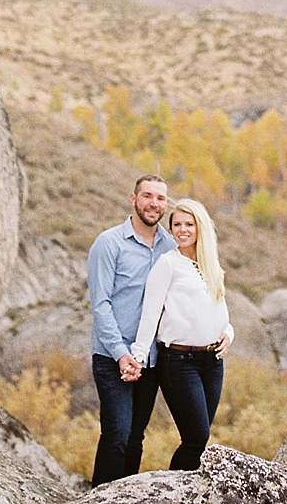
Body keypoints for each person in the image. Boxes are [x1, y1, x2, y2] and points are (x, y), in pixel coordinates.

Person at [130, 198, 234, 471]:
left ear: (200, 228)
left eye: (189, 224)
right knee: (195, 437)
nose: (182, 229)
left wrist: (228, 333)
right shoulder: (167, 264)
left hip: (213, 362)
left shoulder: (210, 265)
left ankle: (187, 496)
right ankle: (172, 497)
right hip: (179, 363)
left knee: (200, 440)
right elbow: (150, 314)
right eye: (177, 224)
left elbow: (219, 307)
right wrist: (138, 356)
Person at [86, 173, 176, 485]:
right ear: (133, 199)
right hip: (113, 356)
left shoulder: (172, 246)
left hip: (151, 358)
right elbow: (101, 305)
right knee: (117, 433)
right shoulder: (109, 243)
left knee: (136, 436)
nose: (154, 203)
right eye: (148, 196)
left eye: (160, 198)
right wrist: (122, 355)